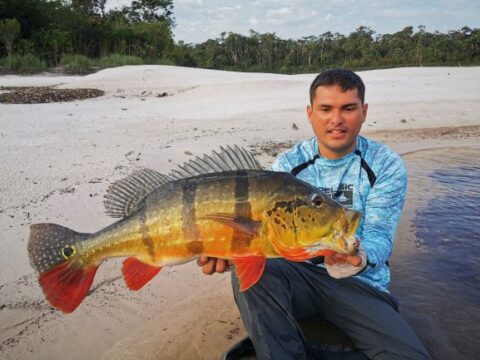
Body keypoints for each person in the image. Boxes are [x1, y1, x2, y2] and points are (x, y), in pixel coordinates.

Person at [197, 69, 430, 359]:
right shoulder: (289, 165)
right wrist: (225, 246)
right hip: (299, 279)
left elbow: (379, 237)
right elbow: (262, 235)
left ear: (363, 111)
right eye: (325, 109)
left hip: (360, 285)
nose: (336, 120)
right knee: (256, 270)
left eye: (348, 108)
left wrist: (360, 257)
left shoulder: (385, 165)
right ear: (310, 113)